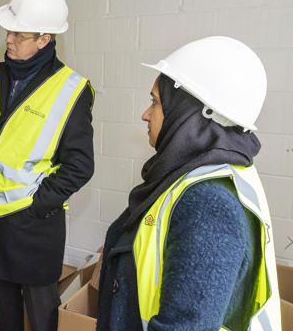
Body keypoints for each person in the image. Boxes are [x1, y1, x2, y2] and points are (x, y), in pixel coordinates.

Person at [97, 36, 281, 331]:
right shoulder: (190, 177)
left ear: (191, 115)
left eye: (155, 102)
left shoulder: (209, 204)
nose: (145, 114)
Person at [0, 0, 95, 331]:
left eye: (18, 35)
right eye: (8, 31)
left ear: (44, 39)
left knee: (41, 315)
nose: (8, 39)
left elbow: (81, 165)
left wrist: (37, 204)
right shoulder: (2, 73)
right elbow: (3, 138)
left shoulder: (73, 89)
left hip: (33, 222)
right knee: (6, 310)